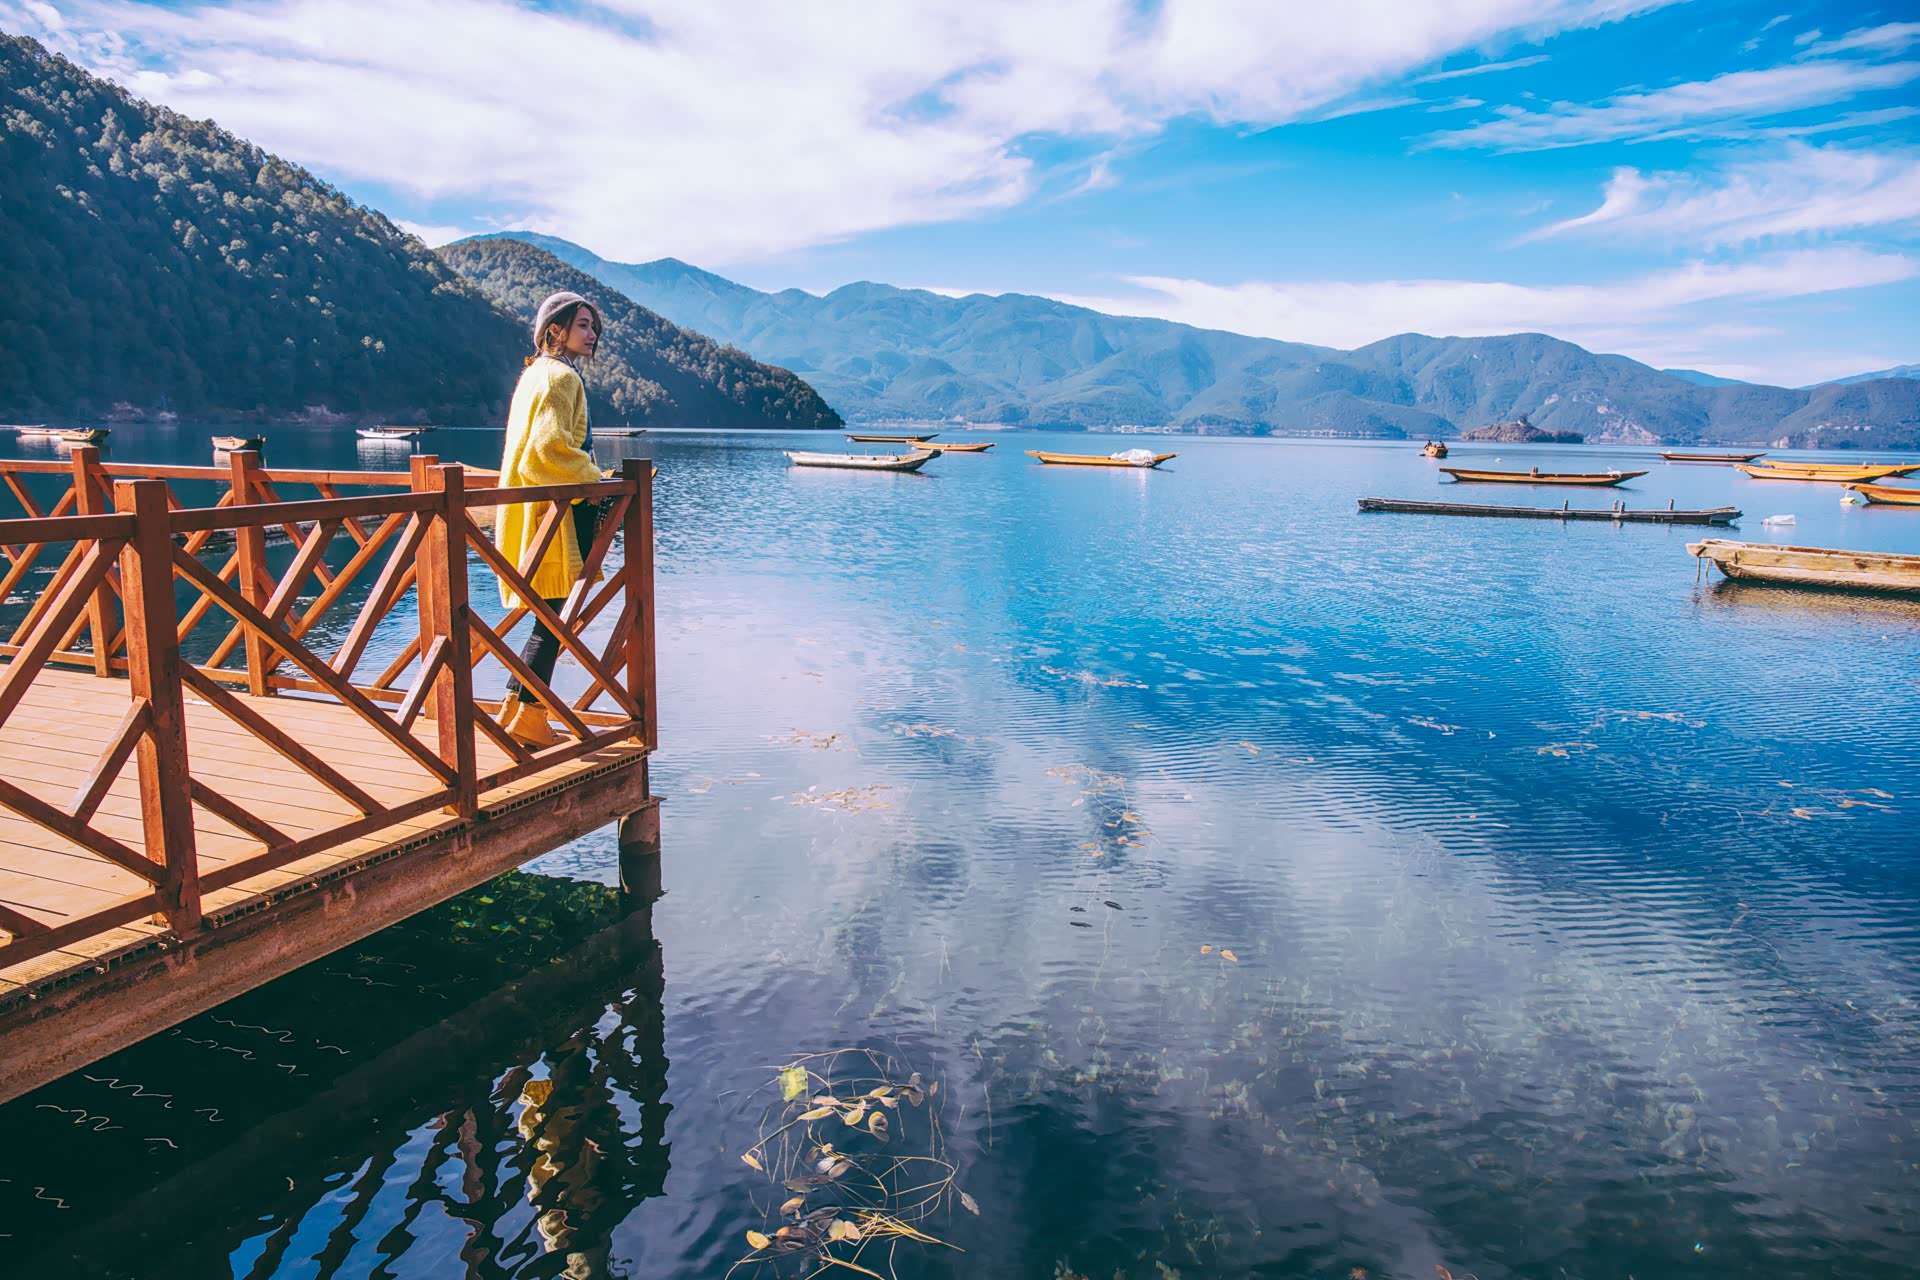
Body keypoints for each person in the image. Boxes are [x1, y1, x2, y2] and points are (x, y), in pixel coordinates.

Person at [494, 290, 609, 747]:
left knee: (548, 616)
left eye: (593, 326)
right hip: (557, 515)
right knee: (554, 619)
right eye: (582, 324)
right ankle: (530, 716)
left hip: (530, 510)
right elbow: (549, 451)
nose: (592, 333)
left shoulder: (533, 375)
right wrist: (596, 478)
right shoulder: (561, 378)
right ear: (553, 331)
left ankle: (515, 707)